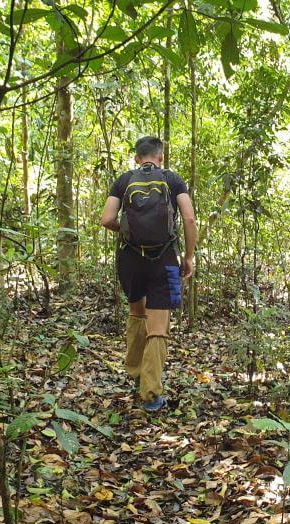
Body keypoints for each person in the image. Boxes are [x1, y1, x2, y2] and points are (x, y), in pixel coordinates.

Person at [100, 136, 197, 412]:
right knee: (158, 327)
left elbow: (106, 219)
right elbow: (189, 219)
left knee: (137, 313)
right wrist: (188, 256)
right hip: (164, 258)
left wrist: (127, 230)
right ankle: (151, 394)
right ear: (161, 157)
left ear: (136, 158)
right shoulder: (172, 179)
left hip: (130, 258)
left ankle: (135, 373)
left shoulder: (124, 180)